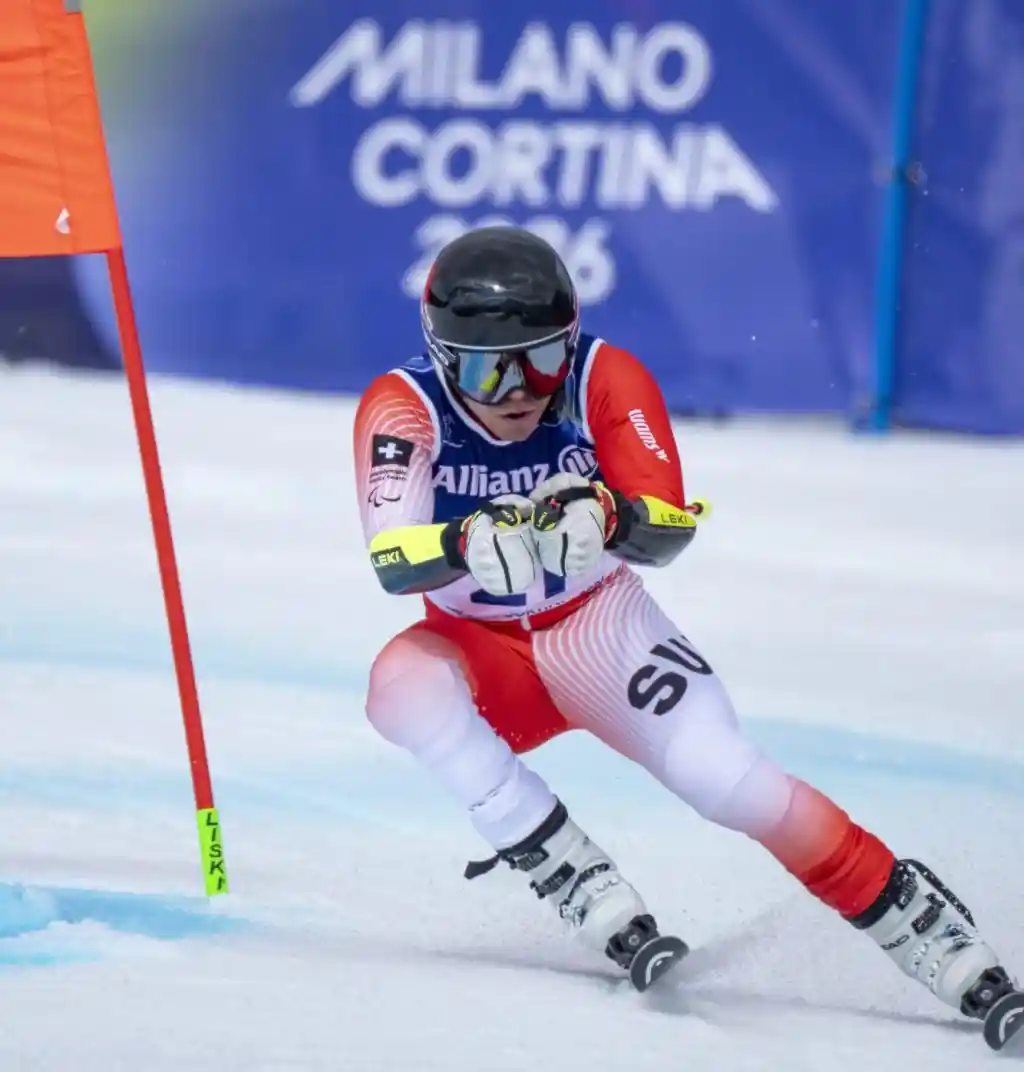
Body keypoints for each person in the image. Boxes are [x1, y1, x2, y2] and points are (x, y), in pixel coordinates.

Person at [353, 225, 1016, 1018]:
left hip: (601, 629)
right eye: (486, 369)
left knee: (727, 780)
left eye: (543, 358)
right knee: (401, 686)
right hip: (484, 654)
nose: (519, 390)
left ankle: (912, 913)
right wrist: (462, 539)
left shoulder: (606, 376)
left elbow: (668, 523)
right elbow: (391, 557)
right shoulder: (403, 407)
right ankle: (559, 861)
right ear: (440, 357)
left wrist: (608, 514)